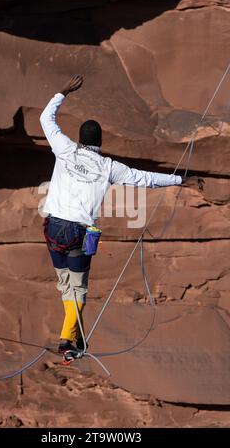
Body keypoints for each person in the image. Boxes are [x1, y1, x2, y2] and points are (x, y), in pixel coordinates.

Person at [40, 75, 204, 353]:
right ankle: (67, 339)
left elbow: (46, 119)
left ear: (80, 140)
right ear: (100, 144)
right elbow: (145, 178)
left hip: (53, 229)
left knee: (66, 285)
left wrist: (63, 91)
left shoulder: (65, 149)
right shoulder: (108, 167)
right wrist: (180, 180)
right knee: (78, 289)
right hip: (79, 233)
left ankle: (74, 335)